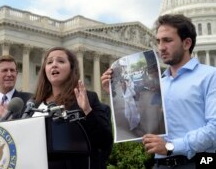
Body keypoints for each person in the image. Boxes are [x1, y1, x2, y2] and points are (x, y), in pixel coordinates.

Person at [101, 14, 216, 168]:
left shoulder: (210, 76)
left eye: (167, 40)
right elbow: (143, 133)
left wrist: (171, 146)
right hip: (160, 164)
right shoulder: (159, 84)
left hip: (199, 163)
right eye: (158, 41)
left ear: (187, 43)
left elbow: (214, 130)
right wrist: (117, 98)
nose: (160, 47)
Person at [29, 47, 113, 169]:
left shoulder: (88, 98)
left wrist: (87, 111)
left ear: (71, 68)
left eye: (61, 61)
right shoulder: (34, 104)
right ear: (44, 70)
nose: (54, 65)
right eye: (49, 62)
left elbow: (105, 143)